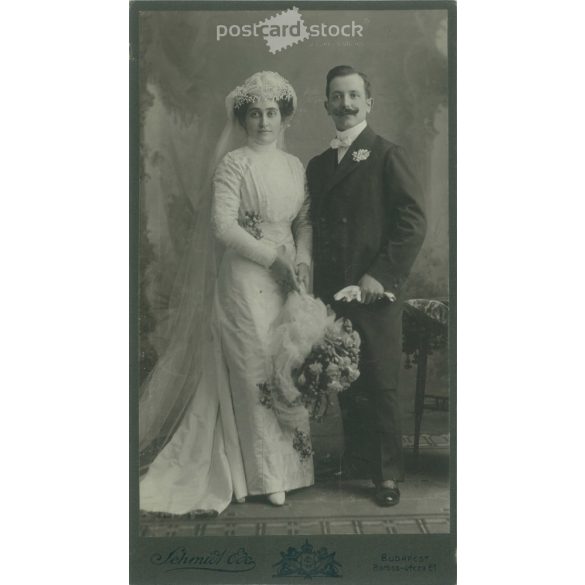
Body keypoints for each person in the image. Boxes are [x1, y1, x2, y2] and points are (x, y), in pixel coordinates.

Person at [139, 71, 314, 515]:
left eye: (271, 113)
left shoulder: (294, 166)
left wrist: (300, 262)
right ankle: (263, 477)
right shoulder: (234, 163)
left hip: (287, 280)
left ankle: (294, 471)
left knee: (287, 364)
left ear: (283, 117)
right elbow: (223, 226)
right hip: (244, 281)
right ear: (243, 119)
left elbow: (304, 221)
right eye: (254, 114)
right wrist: (272, 259)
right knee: (256, 368)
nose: (263, 122)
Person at [306, 65, 427, 507]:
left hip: (374, 290)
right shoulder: (318, 166)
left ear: (368, 103)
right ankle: (358, 460)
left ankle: (386, 474)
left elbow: (412, 222)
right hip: (332, 291)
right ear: (326, 105)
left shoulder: (386, 154)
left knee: (378, 380)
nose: (346, 104)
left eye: (354, 96)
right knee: (346, 377)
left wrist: (381, 273)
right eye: (337, 97)